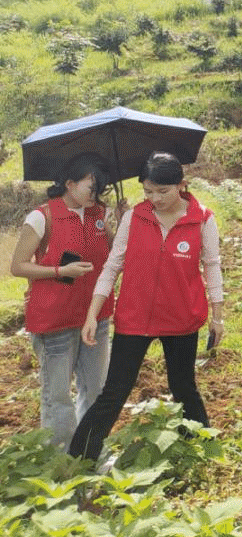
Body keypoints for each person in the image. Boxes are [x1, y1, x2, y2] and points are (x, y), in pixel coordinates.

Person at [69, 152, 224, 462]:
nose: (155, 199)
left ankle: (201, 452)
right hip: (135, 318)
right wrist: (91, 314)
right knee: (114, 392)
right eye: (148, 191)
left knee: (183, 387)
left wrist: (218, 316)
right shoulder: (134, 217)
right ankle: (79, 458)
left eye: (162, 191)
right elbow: (112, 267)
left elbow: (212, 265)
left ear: (181, 185)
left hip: (181, 317)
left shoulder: (202, 219)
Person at [9, 153, 124, 449]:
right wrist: (61, 271)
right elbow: (18, 266)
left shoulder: (99, 215)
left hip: (95, 317)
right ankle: (61, 459)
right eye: (91, 188)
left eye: (100, 189)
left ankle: (91, 452)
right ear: (70, 184)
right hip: (55, 320)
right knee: (58, 396)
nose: (95, 195)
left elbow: (116, 256)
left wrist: (124, 223)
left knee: (96, 390)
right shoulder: (42, 217)